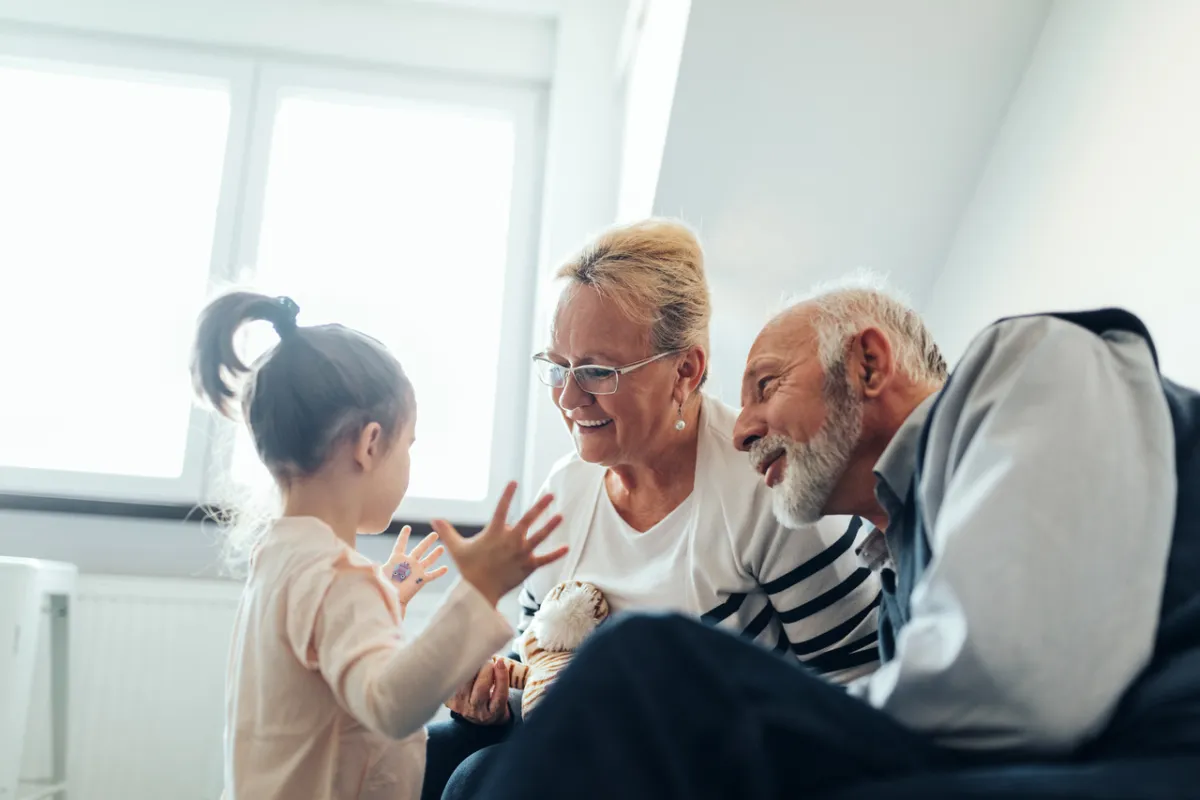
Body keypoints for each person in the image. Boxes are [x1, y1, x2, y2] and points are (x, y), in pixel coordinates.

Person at [472, 279, 1200, 798]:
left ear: (869, 363)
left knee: (645, 664)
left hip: (1156, 752)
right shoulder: (900, 572)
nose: (742, 428)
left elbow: (1016, 685)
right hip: (1068, 758)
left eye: (766, 386)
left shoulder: (1029, 363)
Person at [425, 222, 882, 799]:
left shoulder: (767, 485)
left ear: (684, 370)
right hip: (589, 756)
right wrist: (490, 694)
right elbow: (538, 661)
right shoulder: (565, 490)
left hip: (715, 774)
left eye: (597, 371)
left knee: (476, 779)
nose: (568, 397)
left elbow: (856, 685)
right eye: (558, 367)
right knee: (432, 755)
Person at [190, 291, 567, 800]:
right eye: (407, 445)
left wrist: (385, 597)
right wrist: (478, 590)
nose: (408, 462)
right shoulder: (338, 581)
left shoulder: (279, 558)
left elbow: (328, 666)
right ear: (369, 445)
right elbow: (391, 705)